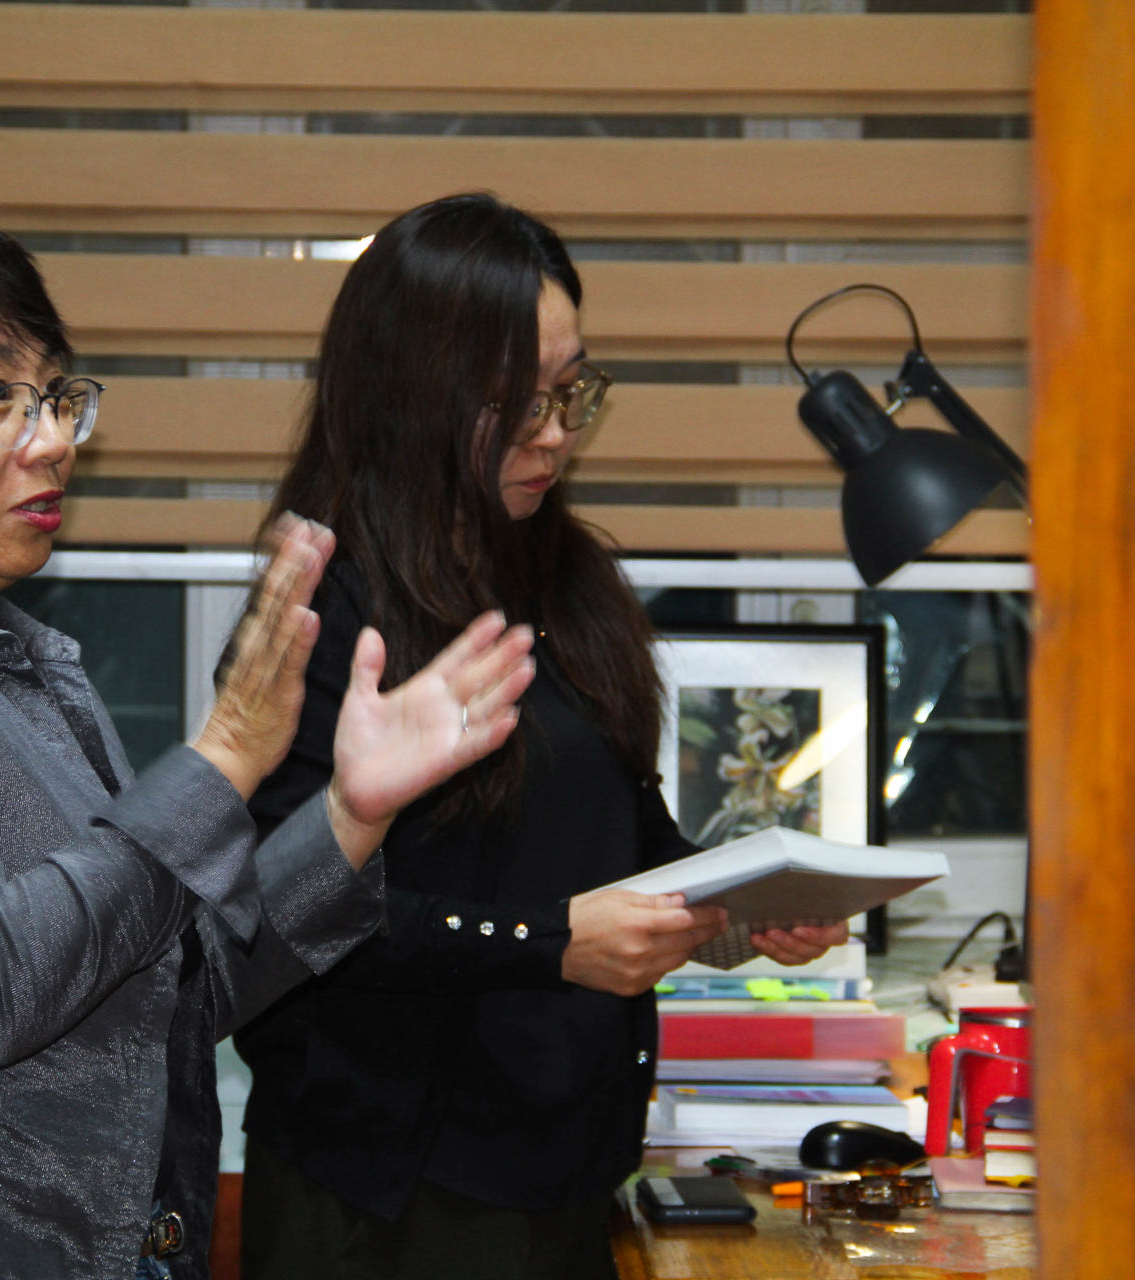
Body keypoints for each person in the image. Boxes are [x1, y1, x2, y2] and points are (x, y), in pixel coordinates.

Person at [0, 207, 536, 1280]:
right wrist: (223, 757)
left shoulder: (12, 661)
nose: (54, 440)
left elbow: (170, 987)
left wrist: (352, 812)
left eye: (55, 395)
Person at [233, 193, 849, 1280]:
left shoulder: (569, 577)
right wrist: (549, 940)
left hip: (567, 1169)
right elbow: (282, 920)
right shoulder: (328, 604)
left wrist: (742, 905)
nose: (556, 432)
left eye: (570, 392)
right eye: (514, 403)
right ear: (413, 396)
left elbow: (625, 840)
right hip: (392, 1192)